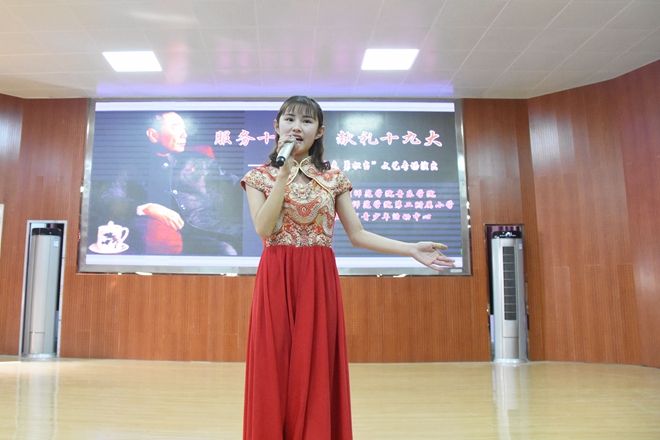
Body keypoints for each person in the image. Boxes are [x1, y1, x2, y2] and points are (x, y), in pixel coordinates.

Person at [240, 96, 456, 440]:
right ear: (276, 126)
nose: (297, 127)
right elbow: (263, 229)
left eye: (307, 121)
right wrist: (281, 176)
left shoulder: (334, 179)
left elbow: (357, 234)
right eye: (290, 119)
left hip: (318, 280)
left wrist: (410, 249)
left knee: (315, 365)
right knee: (274, 363)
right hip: (276, 278)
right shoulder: (258, 177)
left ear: (319, 131)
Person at [91, 111, 242, 255]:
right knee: (225, 251)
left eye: (184, 128)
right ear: (153, 135)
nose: (184, 134)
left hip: (216, 225)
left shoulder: (199, 159)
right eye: (176, 127)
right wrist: (147, 208)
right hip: (182, 234)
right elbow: (108, 198)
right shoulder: (132, 166)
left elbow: (233, 183)